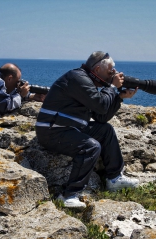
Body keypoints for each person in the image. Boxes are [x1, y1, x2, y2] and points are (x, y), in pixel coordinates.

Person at [35, 51, 139, 208]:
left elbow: (101, 117)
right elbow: (100, 105)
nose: (114, 74)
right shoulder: (78, 78)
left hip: (69, 128)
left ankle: (114, 179)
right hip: (51, 131)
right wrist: (112, 87)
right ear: (97, 70)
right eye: (110, 70)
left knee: (105, 130)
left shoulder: (88, 81)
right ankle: (69, 195)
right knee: (90, 146)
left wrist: (118, 98)